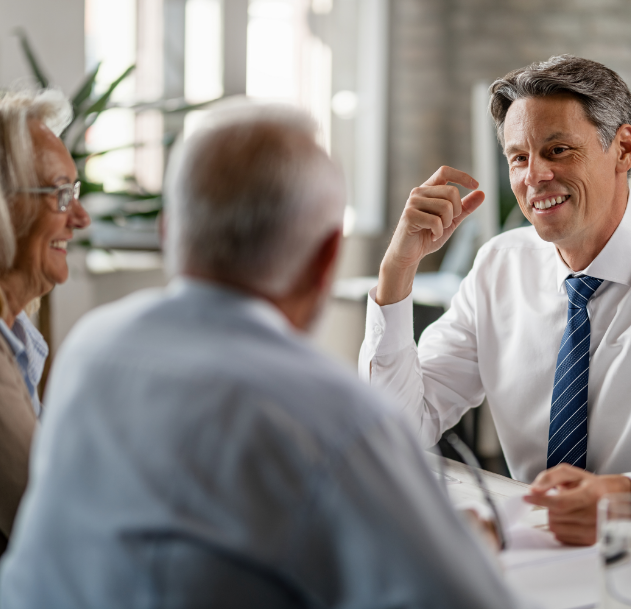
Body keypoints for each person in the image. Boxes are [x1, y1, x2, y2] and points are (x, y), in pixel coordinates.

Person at [0, 100, 524, 608]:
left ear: (168, 233)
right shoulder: (334, 416)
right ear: (325, 262)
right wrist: (470, 546)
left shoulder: (93, 348)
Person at [360, 54, 631, 546]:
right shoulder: (499, 267)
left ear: (624, 149)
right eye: (519, 157)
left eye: (558, 150)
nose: (535, 177)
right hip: (534, 553)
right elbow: (397, 428)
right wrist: (396, 270)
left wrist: (625, 497)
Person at [0, 89, 89, 549]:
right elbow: (53, 524)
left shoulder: (17, 337)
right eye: (60, 194)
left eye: (75, 192)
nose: (80, 216)